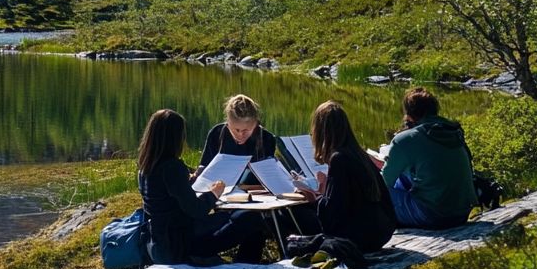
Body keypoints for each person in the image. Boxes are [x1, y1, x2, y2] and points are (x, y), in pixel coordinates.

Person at [137, 108, 268, 265]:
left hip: (160, 241)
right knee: (251, 218)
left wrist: (190, 182)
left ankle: (242, 262)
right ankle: (245, 263)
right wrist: (214, 193)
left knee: (240, 217)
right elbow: (196, 210)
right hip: (181, 244)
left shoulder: (145, 167)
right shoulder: (172, 167)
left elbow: (170, 197)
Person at [296, 101, 396, 252]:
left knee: (297, 215)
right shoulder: (359, 154)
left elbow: (333, 214)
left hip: (361, 236)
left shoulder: (338, 159)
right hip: (381, 231)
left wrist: (314, 196)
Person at [380, 87, 477, 228]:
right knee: (403, 179)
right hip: (462, 213)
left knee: (373, 192)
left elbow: (383, 184)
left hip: (433, 216)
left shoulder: (406, 139)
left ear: (409, 114)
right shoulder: (453, 131)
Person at [196, 94, 277, 176]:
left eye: (246, 130)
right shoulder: (217, 133)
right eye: (236, 130)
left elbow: (270, 174)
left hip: (255, 188)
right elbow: (205, 165)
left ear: (255, 124)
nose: (241, 135)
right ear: (228, 123)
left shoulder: (267, 138)